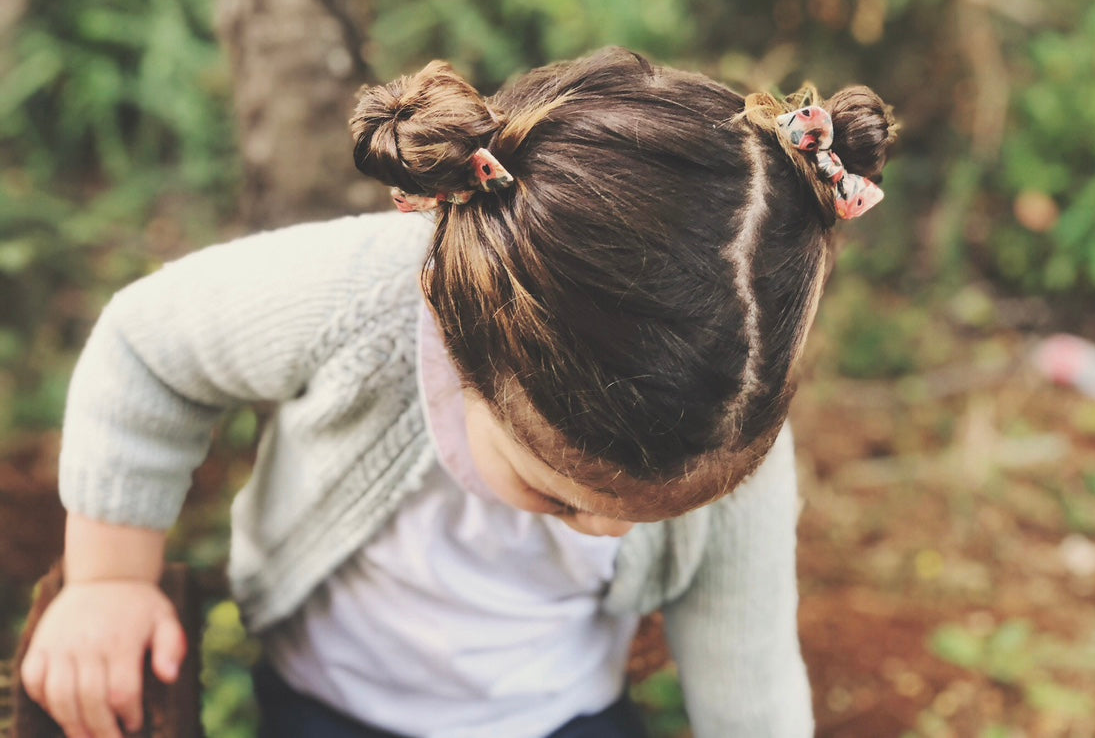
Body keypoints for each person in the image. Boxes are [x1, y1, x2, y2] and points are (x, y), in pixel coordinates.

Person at [20, 47, 896, 738]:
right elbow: (148, 344)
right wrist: (108, 580)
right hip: (333, 700)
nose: (613, 531)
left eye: (652, 512)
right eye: (559, 495)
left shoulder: (726, 421)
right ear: (467, 349)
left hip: (563, 716)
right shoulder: (358, 298)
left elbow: (747, 665)